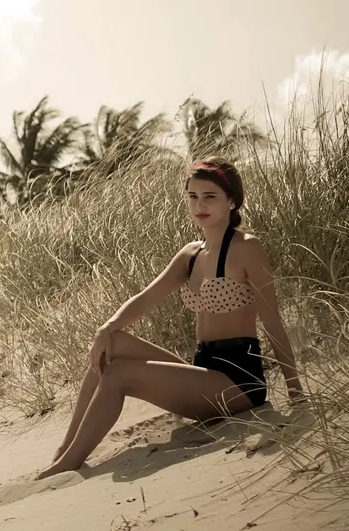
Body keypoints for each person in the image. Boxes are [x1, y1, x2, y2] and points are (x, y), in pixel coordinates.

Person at [34, 157, 305, 480]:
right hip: (203, 371)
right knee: (112, 343)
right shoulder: (191, 254)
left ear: (231, 201)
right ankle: (65, 448)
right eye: (193, 196)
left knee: (118, 374)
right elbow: (146, 298)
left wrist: (295, 392)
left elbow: (272, 321)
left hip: (238, 382)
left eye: (210, 196)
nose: (200, 205)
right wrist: (105, 328)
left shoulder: (247, 248)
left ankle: (69, 464)